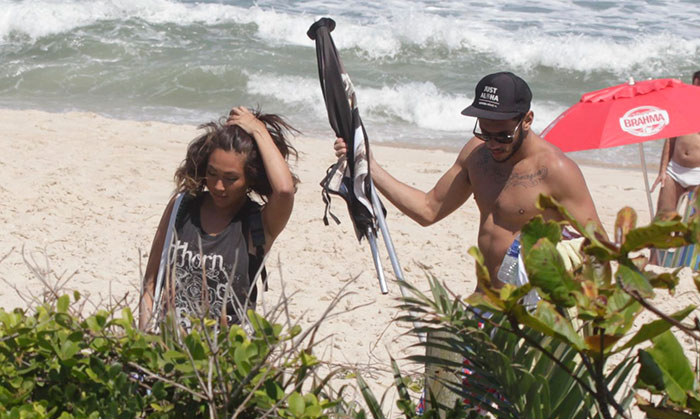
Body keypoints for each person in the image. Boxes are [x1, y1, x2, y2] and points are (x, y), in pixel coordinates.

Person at [333, 71, 605, 290]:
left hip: (536, 314)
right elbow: (428, 209)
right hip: (487, 302)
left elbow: (600, 248)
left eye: (503, 136)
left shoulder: (556, 170)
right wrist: (370, 165)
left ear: (527, 120)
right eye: (485, 132)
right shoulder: (477, 155)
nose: (493, 144)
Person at [139, 106, 298, 331]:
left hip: (228, 356)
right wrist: (144, 340)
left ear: (250, 178)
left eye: (230, 178)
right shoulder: (181, 207)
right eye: (212, 174)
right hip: (169, 351)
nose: (218, 186)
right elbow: (151, 283)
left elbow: (283, 190)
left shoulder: (258, 223)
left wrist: (257, 129)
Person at [650, 71, 700, 217]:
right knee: (662, 219)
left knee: (693, 226)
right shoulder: (683, 106)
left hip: (698, 174)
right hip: (674, 171)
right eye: (696, 83)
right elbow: (670, 139)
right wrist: (663, 170)